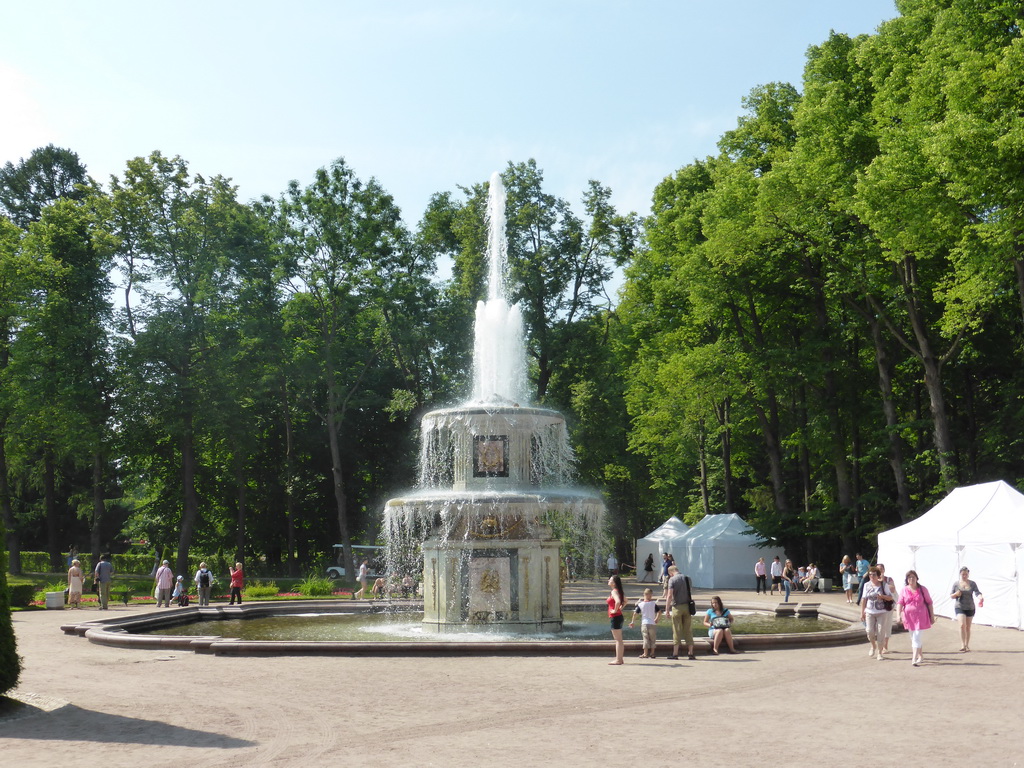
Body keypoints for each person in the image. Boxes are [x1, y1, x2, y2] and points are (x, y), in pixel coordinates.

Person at [897, 570, 933, 666]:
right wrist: (898, 616)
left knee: (916, 637)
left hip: (921, 616)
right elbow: (900, 603)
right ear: (907, 580)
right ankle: (920, 656)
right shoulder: (904, 590)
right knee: (913, 637)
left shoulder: (922, 589)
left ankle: (914, 658)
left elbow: (929, 602)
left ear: (917, 578)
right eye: (909, 577)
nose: (911, 579)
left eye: (913, 577)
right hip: (909, 617)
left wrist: (932, 616)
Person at [860, 565, 894, 659]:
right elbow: (864, 599)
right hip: (870, 611)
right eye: (870, 575)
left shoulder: (883, 585)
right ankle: (873, 646)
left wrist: (882, 596)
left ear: (878, 575)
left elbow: (890, 597)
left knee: (880, 632)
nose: (871, 576)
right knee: (869, 631)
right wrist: (862, 612)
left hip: (882, 612)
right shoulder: (866, 585)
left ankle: (880, 652)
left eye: (874, 575)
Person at [663, 565, 696, 660]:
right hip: (687, 607)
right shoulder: (687, 578)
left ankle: (675, 653)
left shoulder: (672, 580)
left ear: (671, 573)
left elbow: (669, 596)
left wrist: (667, 609)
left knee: (676, 630)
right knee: (688, 629)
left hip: (677, 607)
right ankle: (690, 653)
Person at [951, 566, 984, 652]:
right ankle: (962, 644)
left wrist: (980, 597)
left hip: (970, 607)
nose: (964, 576)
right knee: (962, 625)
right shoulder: (956, 584)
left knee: (968, 627)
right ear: (960, 574)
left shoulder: (972, 583)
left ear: (968, 574)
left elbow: (977, 592)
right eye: (963, 574)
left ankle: (967, 644)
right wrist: (956, 594)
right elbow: (951, 595)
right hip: (960, 606)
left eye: (966, 574)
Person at [629, 587, 662, 658]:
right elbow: (659, 612)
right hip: (652, 623)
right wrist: (656, 618)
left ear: (644, 595)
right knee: (653, 639)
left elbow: (635, 614)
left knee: (645, 638)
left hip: (644, 623)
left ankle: (645, 653)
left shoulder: (641, 604)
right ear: (650, 595)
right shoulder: (653, 604)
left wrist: (632, 621)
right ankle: (652, 653)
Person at [877, 564, 898, 653]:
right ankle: (878, 645)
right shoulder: (873, 580)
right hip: (877, 606)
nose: (880, 571)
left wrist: (882, 582)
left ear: (884, 570)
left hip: (888, 606)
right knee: (878, 625)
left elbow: (892, 589)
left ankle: (885, 646)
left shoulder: (889, 579)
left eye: (881, 569)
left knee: (887, 624)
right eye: (878, 569)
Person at [607, 574, 626, 665]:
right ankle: (620, 659)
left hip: (615, 617)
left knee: (618, 640)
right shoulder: (619, 591)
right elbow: (626, 601)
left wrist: (615, 610)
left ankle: (618, 660)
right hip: (618, 616)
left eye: (610, 580)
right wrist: (620, 608)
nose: (608, 581)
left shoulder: (614, 591)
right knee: (619, 639)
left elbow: (618, 601)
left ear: (614, 583)